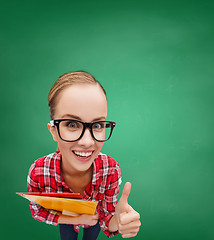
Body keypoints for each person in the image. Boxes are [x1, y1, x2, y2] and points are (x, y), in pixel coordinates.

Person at [27, 71, 141, 240]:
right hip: (66, 219)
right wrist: (74, 218)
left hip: (94, 221)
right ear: (54, 131)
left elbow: (107, 219)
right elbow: (37, 211)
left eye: (98, 125)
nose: (87, 142)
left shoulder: (110, 170)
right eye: (72, 124)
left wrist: (118, 220)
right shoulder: (39, 171)